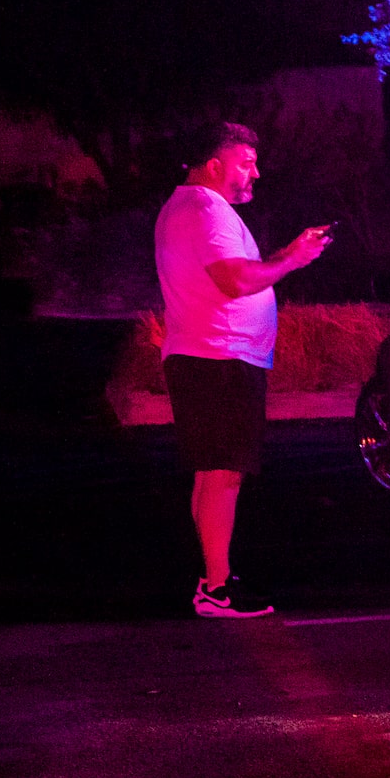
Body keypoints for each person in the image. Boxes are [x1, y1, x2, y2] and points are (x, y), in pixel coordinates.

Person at [154, 121, 332, 618]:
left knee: (212, 473)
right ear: (215, 166)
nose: (256, 171)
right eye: (246, 162)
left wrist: (285, 259)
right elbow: (234, 280)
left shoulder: (187, 207)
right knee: (223, 474)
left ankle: (214, 577)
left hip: (206, 355)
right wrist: (292, 259)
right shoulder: (206, 210)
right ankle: (216, 587)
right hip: (219, 357)